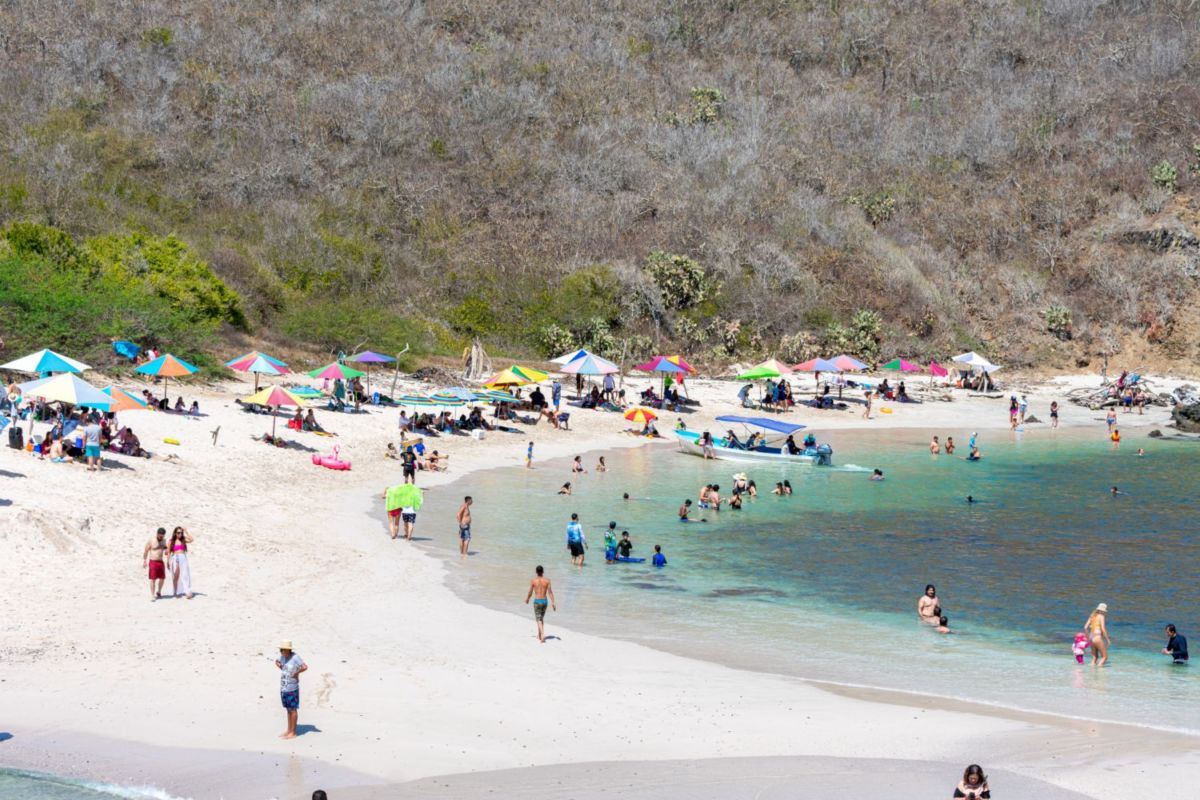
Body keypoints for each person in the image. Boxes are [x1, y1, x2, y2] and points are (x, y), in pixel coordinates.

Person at [275, 640, 307, 739]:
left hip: (292, 688)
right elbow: (277, 662)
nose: (282, 652)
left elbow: (305, 667)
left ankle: (293, 732)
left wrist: (296, 673)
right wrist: (281, 667)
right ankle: (289, 730)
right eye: (281, 650)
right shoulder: (282, 657)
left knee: (293, 710)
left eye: (283, 650)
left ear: (288, 650)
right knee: (288, 709)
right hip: (284, 687)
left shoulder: (295, 657)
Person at [525, 565, 556, 643]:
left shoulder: (533, 581)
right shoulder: (547, 580)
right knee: (541, 618)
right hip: (545, 601)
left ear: (536, 572)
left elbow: (530, 592)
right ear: (543, 572)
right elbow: (550, 592)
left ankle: (542, 635)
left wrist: (527, 598)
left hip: (537, 601)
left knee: (538, 619)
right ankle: (539, 635)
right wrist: (553, 602)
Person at [168, 526, 194, 599]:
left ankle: (187, 591)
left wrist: (186, 531)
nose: (180, 534)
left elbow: (192, 540)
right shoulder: (171, 541)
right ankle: (176, 592)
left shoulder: (183, 540)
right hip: (175, 558)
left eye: (181, 533)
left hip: (183, 557)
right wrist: (168, 561)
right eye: (178, 533)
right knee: (176, 575)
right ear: (175, 533)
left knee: (185, 574)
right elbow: (169, 552)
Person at [143, 527, 168, 601]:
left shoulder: (164, 540)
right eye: (159, 535)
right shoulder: (151, 540)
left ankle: (159, 592)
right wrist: (144, 560)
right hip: (153, 561)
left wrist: (166, 551)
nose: (161, 537)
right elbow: (146, 550)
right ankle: (152, 595)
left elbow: (165, 548)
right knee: (153, 579)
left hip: (160, 561)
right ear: (157, 534)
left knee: (162, 578)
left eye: (162, 536)